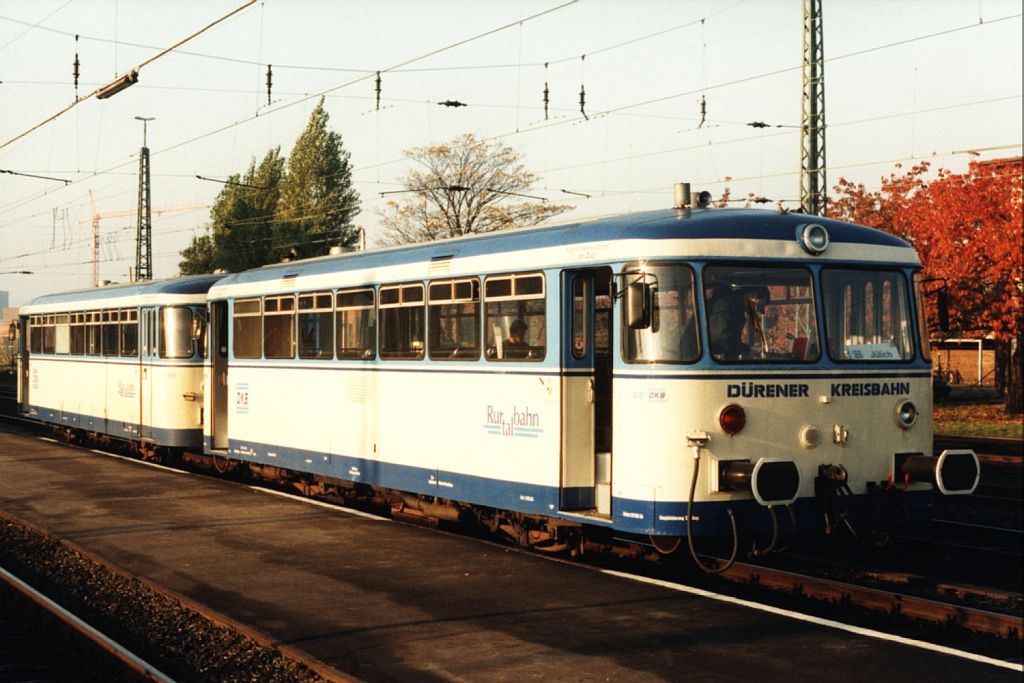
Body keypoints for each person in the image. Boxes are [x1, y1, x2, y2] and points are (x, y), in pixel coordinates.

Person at [708, 286, 770, 360]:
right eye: (759, 305)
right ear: (752, 295)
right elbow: (722, 339)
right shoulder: (725, 306)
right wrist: (744, 350)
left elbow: (731, 337)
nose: (759, 310)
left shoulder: (735, 308)